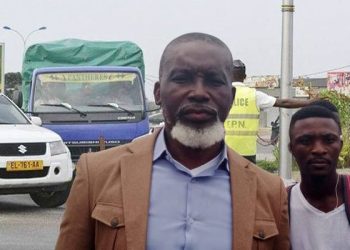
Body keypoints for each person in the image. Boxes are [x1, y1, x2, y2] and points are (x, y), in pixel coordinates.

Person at [55, 32, 289, 250]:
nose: (199, 92)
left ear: (231, 97)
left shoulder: (270, 191)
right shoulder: (97, 174)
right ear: (158, 93)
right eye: (182, 79)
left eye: (214, 81)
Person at [224, 60, 315, 163]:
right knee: (247, 179)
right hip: (247, 153)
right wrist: (310, 103)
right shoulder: (254, 95)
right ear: (245, 76)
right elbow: (284, 103)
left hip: (225, 153)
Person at [288, 105, 350, 250]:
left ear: (340, 145)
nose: (318, 149)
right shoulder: (279, 206)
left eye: (329, 140)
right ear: (291, 148)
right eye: (305, 141)